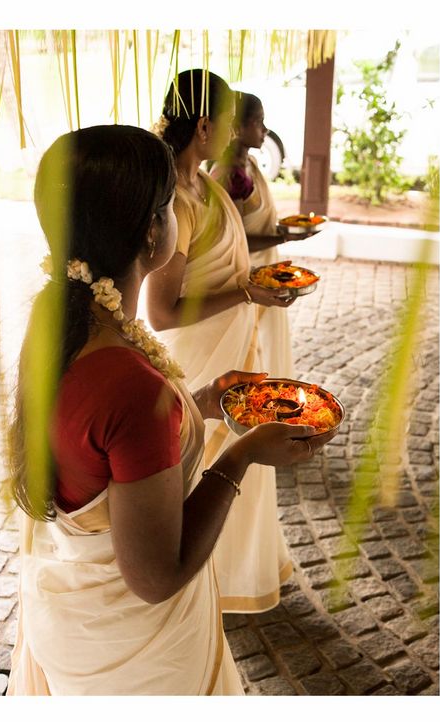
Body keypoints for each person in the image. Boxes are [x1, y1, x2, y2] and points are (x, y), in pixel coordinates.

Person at [5, 126, 332, 694]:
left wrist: (201, 406)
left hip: (83, 626)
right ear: (153, 230)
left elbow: (102, 454)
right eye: (169, 206)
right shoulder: (130, 385)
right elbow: (157, 578)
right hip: (142, 652)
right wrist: (243, 454)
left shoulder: (67, 326)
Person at [147, 70, 299, 613]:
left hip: (234, 344)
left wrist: (250, 292)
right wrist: (248, 293)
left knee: (240, 463)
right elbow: (161, 313)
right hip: (198, 360)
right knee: (203, 466)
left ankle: (229, 570)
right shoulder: (177, 202)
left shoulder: (204, 186)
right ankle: (200, 581)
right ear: (205, 125)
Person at [210, 92, 310, 378]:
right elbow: (237, 237)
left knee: (265, 341)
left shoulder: (250, 166)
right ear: (238, 128)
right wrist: (285, 237)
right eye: (259, 122)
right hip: (247, 272)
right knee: (252, 346)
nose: (265, 130)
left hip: (267, 265)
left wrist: (285, 232)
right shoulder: (229, 175)